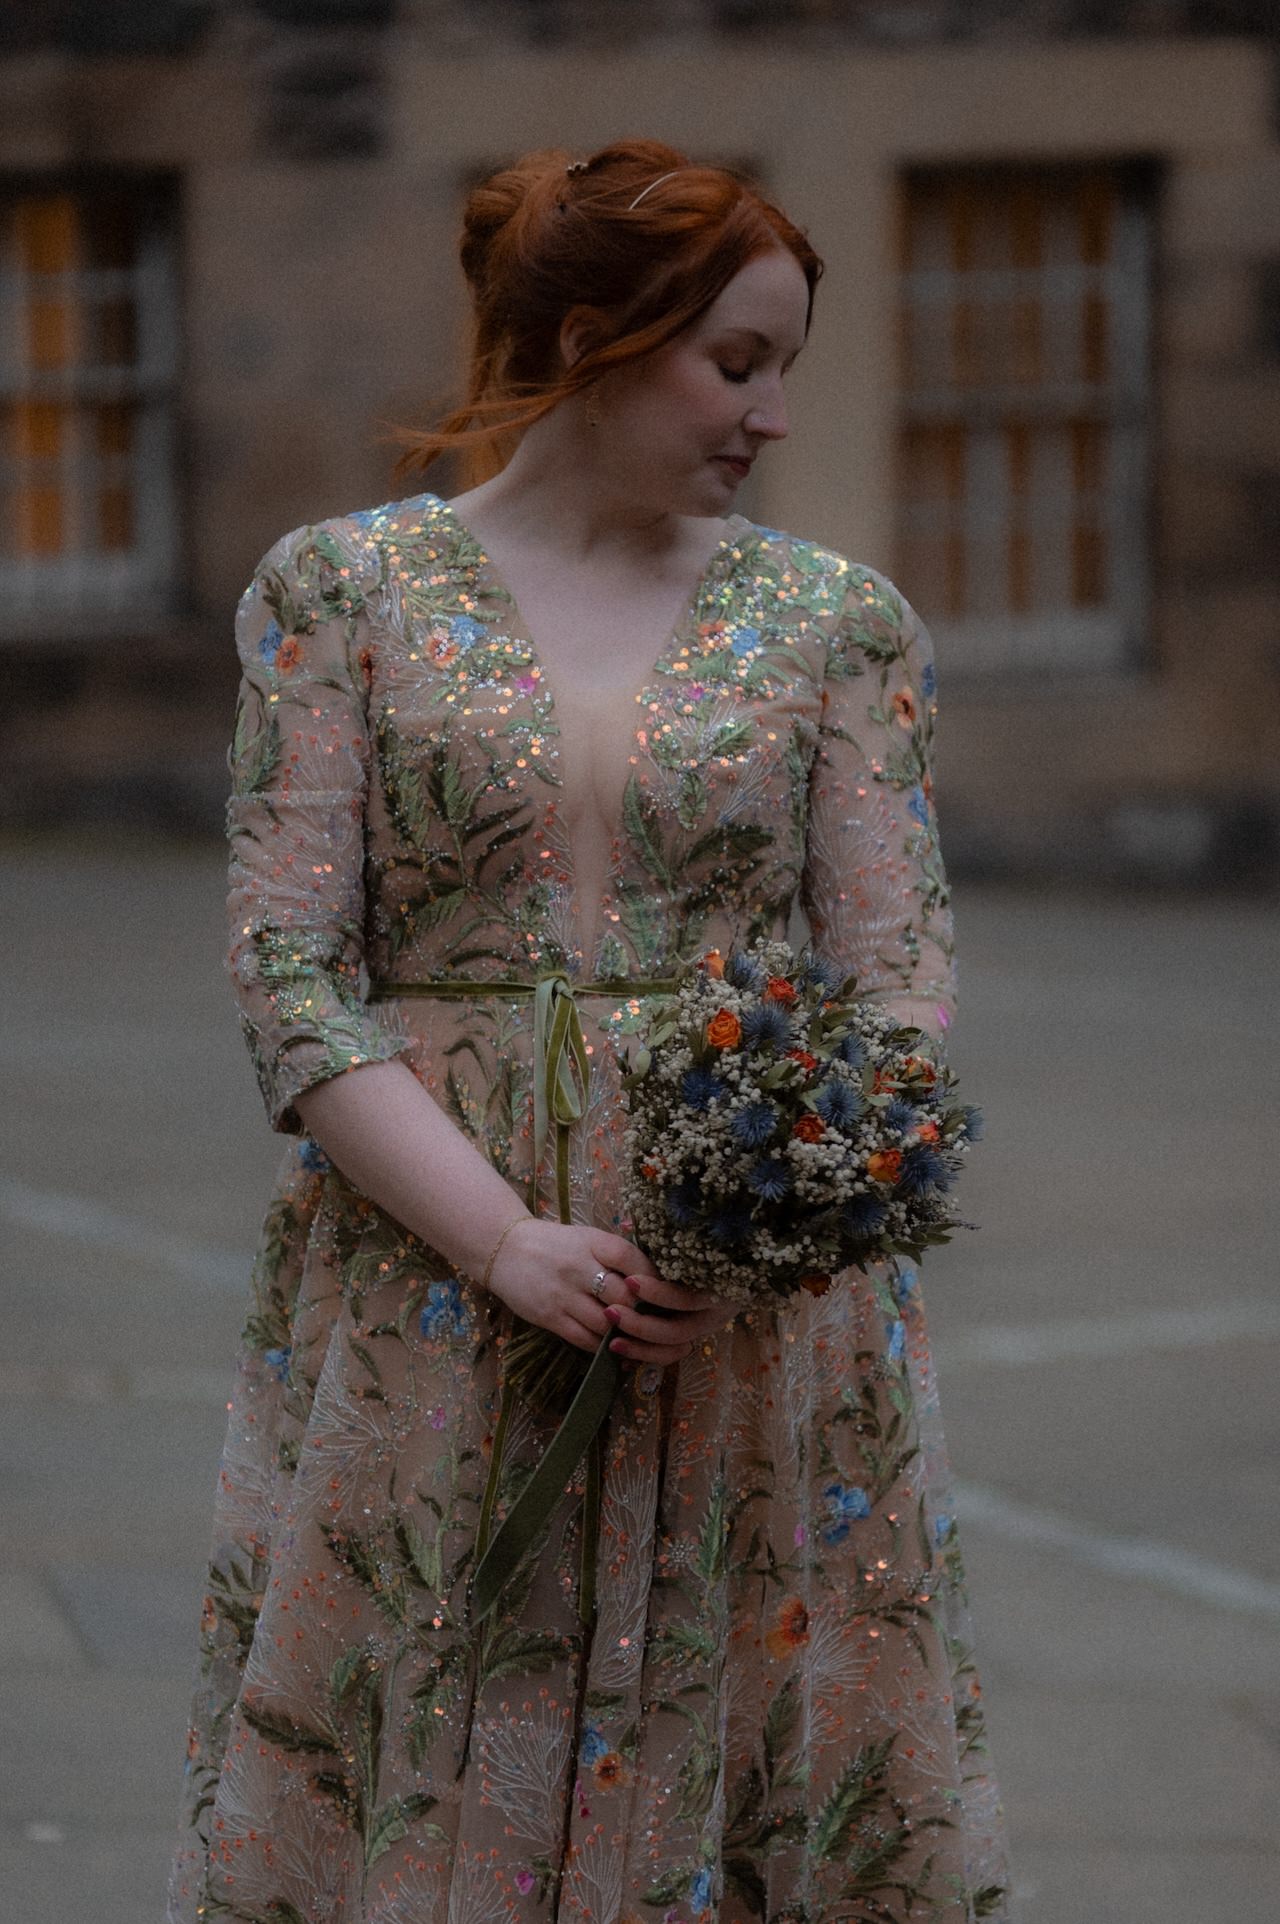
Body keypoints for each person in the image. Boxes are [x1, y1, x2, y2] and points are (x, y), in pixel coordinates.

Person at [168, 138, 1012, 1924]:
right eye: (738, 361)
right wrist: (503, 1240)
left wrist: (764, 1226)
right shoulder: (338, 597)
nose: (772, 415)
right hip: (427, 1272)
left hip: (742, 1312)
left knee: (743, 1701)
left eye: (783, 364)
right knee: (441, 1679)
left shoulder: (840, 624)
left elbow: (897, 984)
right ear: (588, 339)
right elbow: (292, 971)